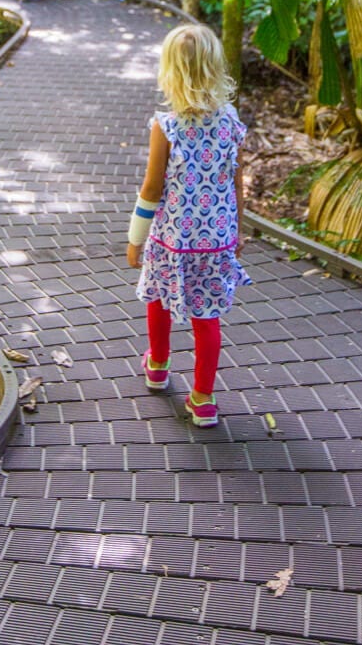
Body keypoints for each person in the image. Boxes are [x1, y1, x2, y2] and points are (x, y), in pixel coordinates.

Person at [126, 24, 250, 428]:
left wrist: (135, 239)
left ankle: (158, 366)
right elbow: (236, 179)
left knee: (159, 298)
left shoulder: (167, 125)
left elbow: (151, 187)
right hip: (216, 241)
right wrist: (237, 231)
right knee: (207, 318)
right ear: (216, 69)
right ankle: (203, 399)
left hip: (171, 241)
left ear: (170, 73)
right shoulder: (229, 120)